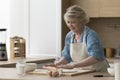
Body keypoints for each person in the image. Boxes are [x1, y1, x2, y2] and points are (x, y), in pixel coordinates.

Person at [44, 5, 109, 73]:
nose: (70, 25)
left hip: (98, 73)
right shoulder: (69, 36)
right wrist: (57, 64)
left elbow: (96, 57)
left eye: (73, 22)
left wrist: (73, 65)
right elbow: (67, 56)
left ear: (82, 21)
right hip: (81, 73)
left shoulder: (91, 35)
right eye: (68, 22)